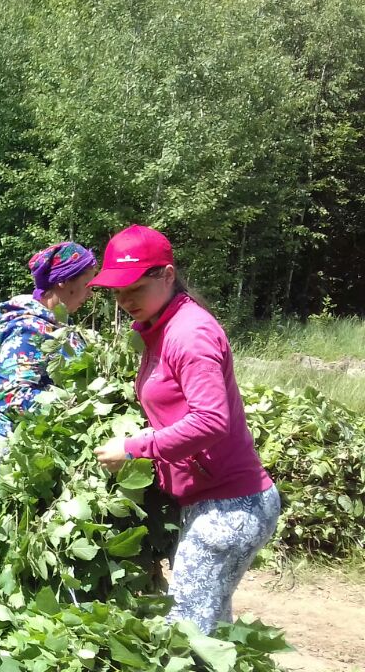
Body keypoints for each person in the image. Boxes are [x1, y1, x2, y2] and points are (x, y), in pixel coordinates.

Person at [90, 224, 278, 635]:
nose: (124, 301)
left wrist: (136, 448)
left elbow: (211, 421)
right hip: (212, 500)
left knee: (187, 633)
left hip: (230, 505)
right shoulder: (162, 329)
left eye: (135, 287)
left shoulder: (189, 334)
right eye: (117, 292)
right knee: (212, 629)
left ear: (168, 275)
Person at [0, 241, 97, 476]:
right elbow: (14, 397)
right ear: (63, 281)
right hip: (19, 462)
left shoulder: (57, 325)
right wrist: (79, 405)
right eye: (86, 284)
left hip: (46, 452)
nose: (90, 293)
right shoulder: (27, 329)